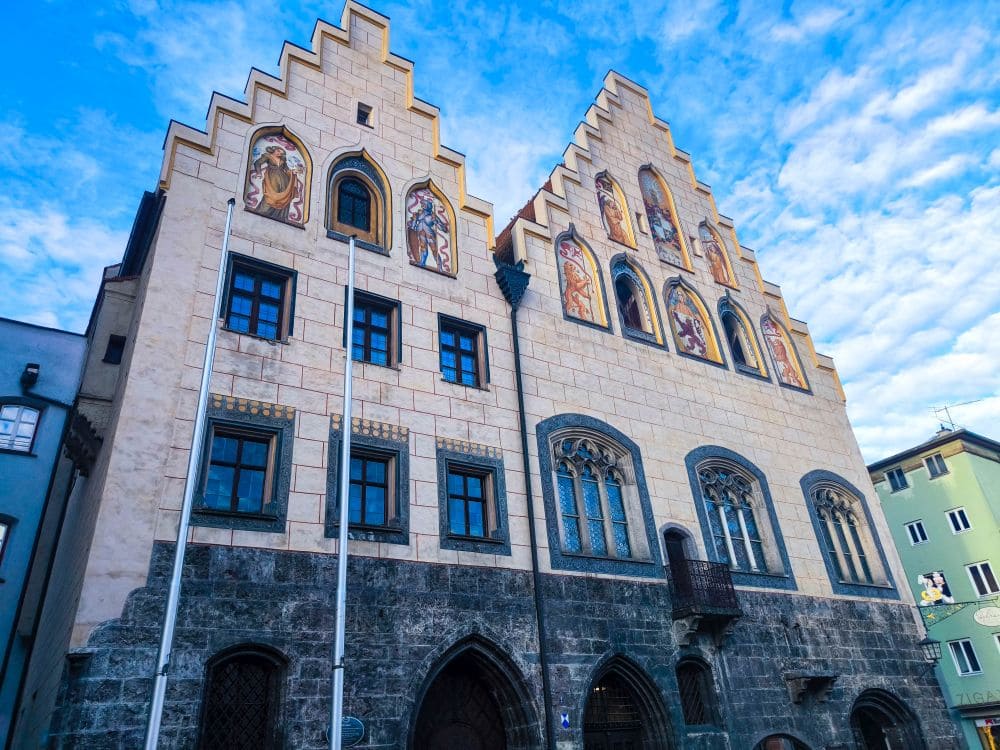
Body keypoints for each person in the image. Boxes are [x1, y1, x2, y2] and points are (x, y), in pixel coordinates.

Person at [247, 144, 302, 223]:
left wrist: (294, 171)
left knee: (284, 197)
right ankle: (262, 212)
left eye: (281, 153)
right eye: (279, 151)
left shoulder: (283, 160)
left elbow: (286, 170)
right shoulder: (268, 156)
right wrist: (258, 173)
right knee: (271, 196)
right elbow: (257, 163)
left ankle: (281, 216)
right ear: (274, 150)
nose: (280, 153)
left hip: (284, 180)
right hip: (272, 178)